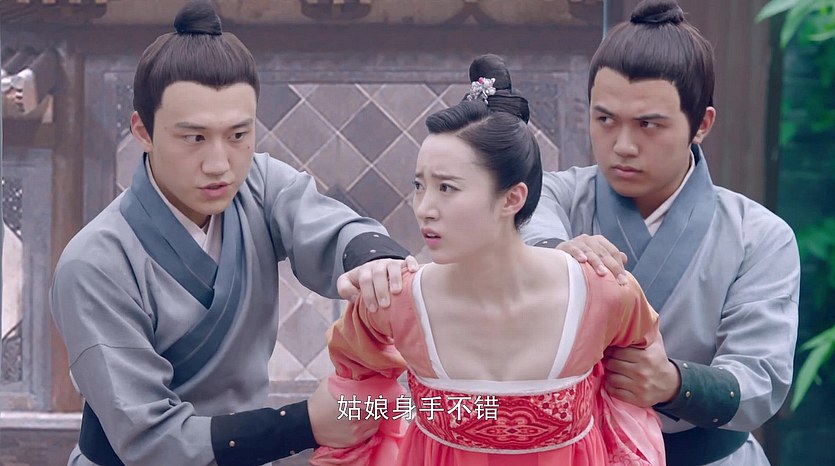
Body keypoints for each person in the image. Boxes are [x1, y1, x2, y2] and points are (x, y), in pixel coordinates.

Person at [49, 1, 417, 465]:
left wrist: (376, 263)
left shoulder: (259, 185)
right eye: (194, 137)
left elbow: (334, 230)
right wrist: (305, 424)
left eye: (238, 135)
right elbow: (149, 438)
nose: (220, 164)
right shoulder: (94, 263)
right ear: (142, 130)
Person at [309, 54, 666, 466]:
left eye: (446, 188)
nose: (424, 208)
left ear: (512, 198)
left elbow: (635, 383)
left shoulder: (601, 293)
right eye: (419, 186)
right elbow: (356, 389)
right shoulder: (396, 299)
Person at [520, 1, 801, 464]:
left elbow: (760, 378)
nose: (623, 146)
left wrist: (673, 382)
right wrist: (557, 254)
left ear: (701, 125)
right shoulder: (558, 197)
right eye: (605, 119)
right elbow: (526, 215)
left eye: (648, 124)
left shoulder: (760, 237)